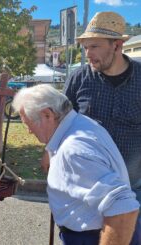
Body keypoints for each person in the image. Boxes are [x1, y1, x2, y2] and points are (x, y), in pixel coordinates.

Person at [13, 84, 139, 245]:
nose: (28, 131)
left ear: (47, 114)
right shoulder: (80, 125)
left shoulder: (73, 150)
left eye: (27, 123)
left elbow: (123, 210)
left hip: (95, 237)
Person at [63, 11, 141, 244]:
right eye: (85, 47)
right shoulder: (79, 79)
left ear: (117, 45)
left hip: (131, 188)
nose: (88, 54)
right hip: (84, 189)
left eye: (94, 46)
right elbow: (61, 123)